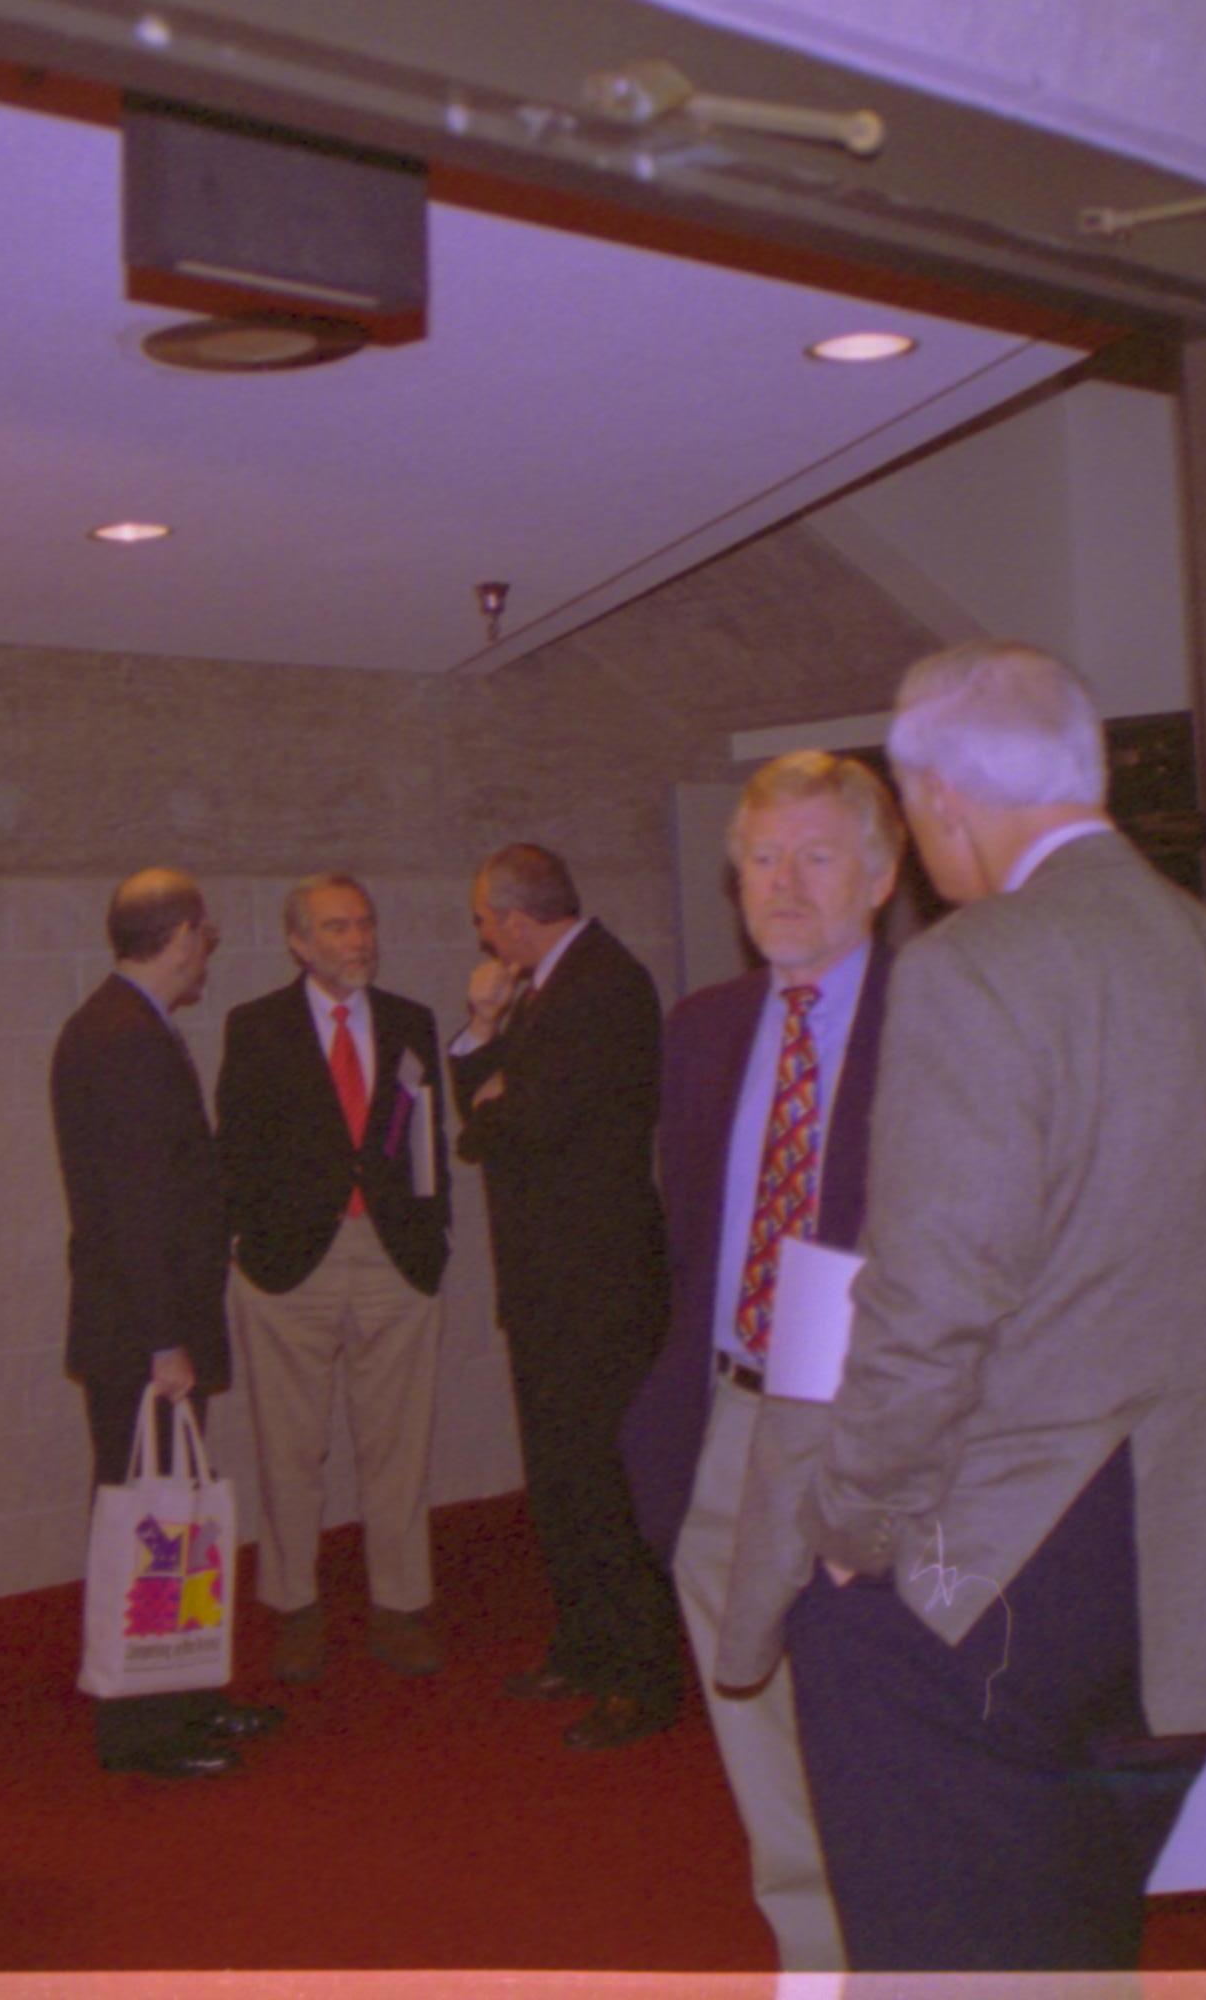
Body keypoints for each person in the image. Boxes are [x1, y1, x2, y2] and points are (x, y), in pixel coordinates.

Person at [760, 643, 1206, 1971]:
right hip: (1182, 1563)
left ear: (943, 798)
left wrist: (853, 1522)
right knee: (1075, 1946)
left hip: (991, 1570)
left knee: (946, 1958)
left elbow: (931, 1298)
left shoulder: (980, 962)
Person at [617, 752, 903, 1971]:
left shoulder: (943, 1017)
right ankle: (813, 1947)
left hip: (873, 1430)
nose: (784, 883)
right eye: (764, 859)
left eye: (817, 854)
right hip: (730, 1410)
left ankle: (903, 1939)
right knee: (747, 1700)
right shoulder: (704, 1030)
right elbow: (686, 1232)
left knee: (877, 1710)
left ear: (882, 875)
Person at [49, 867, 284, 1779]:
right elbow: (135, 1206)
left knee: (169, 1521)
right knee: (145, 1523)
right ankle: (143, 1730)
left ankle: (187, 1697)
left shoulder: (120, 1025)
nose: (206, 953)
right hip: (142, 1334)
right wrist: (165, 1340)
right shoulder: (123, 1040)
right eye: (206, 936)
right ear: (182, 933)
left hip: (145, 1327)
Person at [451, 843, 684, 1749]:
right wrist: (483, 1039)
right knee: (561, 1478)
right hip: (549, 1280)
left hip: (599, 1282)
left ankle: (641, 1674)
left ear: (515, 919)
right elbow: (495, 1114)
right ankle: (585, 1646)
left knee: (609, 1482)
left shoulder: (604, 985)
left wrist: (501, 1097)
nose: (480, 933)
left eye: (482, 918)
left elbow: (523, 1126)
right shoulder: (547, 984)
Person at [215, 874, 455, 1683]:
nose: (357, 941)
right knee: (291, 1447)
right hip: (292, 1268)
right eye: (337, 928)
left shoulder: (411, 1023)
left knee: (397, 1446)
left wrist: (435, 1242)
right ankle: (295, 1605)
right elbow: (235, 1154)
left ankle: (399, 1605)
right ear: (299, 944)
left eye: (364, 924)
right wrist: (249, 1245)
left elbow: (426, 1146)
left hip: (395, 1260)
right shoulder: (255, 1029)